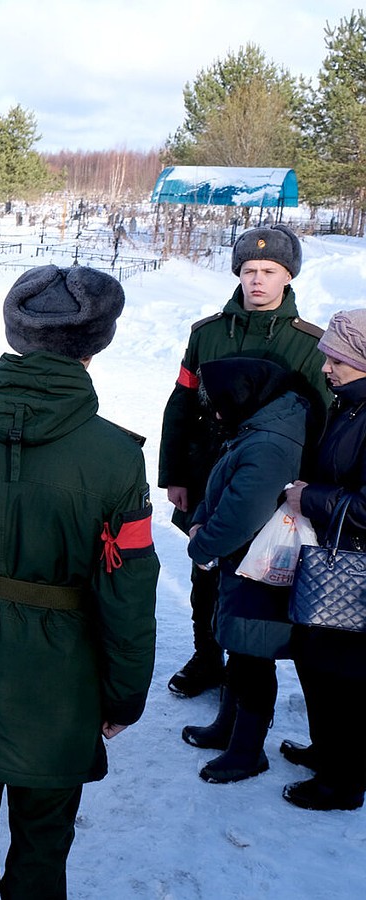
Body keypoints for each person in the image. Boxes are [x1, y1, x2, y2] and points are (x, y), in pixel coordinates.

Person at [0, 265, 158, 899]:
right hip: (61, 680)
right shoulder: (116, 456)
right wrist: (124, 693)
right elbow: (128, 590)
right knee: (43, 840)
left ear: (17, 333)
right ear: (95, 344)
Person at [159, 224, 330, 698]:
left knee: (254, 578)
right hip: (206, 468)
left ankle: (245, 665)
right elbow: (181, 402)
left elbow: (319, 421)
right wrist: (174, 474)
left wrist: (308, 490)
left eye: (269, 271)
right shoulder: (207, 334)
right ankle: (206, 656)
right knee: (205, 571)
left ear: (288, 278)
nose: (258, 280)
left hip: (270, 479)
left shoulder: (309, 344)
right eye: (249, 270)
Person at [182, 357, 307, 783]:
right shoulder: (257, 426)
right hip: (246, 564)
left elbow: (242, 512)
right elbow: (223, 483)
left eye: (219, 404)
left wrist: (202, 543)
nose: (216, 414)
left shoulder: (268, 443)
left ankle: (247, 750)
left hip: (260, 568)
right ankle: (227, 728)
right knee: (240, 648)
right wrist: (200, 517)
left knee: (253, 655)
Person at [281, 310, 366, 811]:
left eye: (336, 359)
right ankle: (328, 753)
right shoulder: (348, 406)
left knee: (346, 679)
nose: (327, 367)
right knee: (316, 665)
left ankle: (343, 783)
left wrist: (308, 498)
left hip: (355, 573)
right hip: (335, 561)